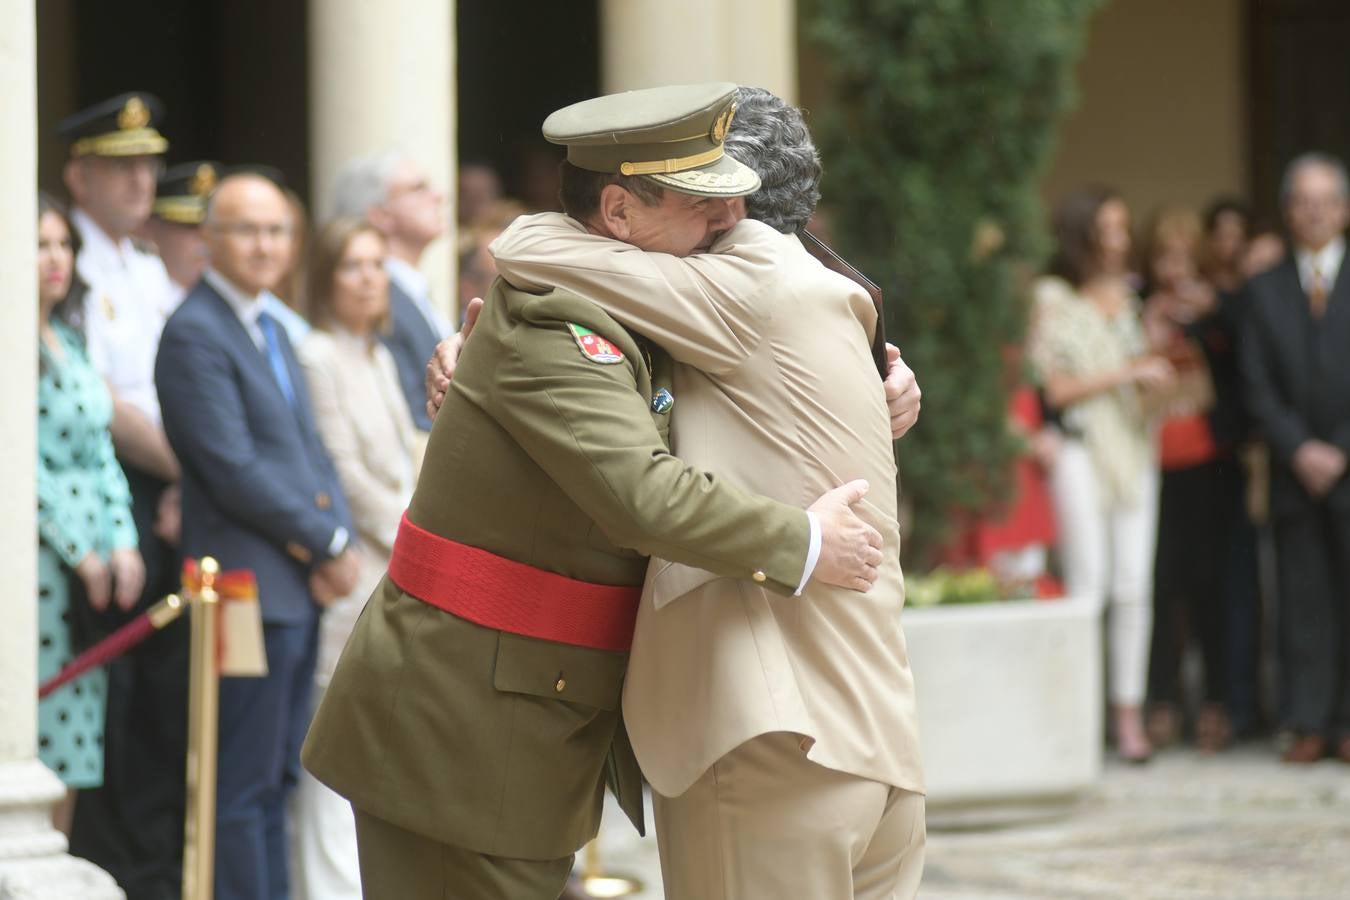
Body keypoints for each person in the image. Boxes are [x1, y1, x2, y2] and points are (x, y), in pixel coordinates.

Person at [302, 83, 886, 900]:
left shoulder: (629, 299)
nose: (727, 223)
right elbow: (638, 492)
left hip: (515, 721)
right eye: (701, 203)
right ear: (617, 212)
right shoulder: (557, 323)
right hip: (459, 729)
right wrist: (808, 542)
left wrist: (881, 380)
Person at [486, 85, 927, 899]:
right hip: (874, 750)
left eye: (709, 184)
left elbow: (526, 245)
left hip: (772, 742)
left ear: (733, 206)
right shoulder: (831, 293)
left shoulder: (742, 284)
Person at [155, 173, 360, 899]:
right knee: (238, 779)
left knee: (278, 773)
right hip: (235, 590)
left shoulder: (273, 326)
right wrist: (328, 544)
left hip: (292, 587)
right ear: (208, 239)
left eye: (276, 230)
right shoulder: (193, 332)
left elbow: (309, 450)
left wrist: (334, 528)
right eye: (245, 229)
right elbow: (233, 467)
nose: (264, 244)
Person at [57, 91, 191, 897]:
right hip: (114, 486)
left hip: (170, 486)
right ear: (80, 178)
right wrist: (182, 469)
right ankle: (108, 867)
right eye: (121, 165)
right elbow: (99, 396)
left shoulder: (145, 266)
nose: (143, 179)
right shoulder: (62, 257)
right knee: (113, 687)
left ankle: (152, 867)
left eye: (148, 163)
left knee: (163, 694)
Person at [290, 218, 422, 899]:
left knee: (383, 752)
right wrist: (415, 539)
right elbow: (341, 470)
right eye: (352, 266)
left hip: (401, 571)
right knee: (334, 749)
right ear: (324, 278)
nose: (370, 278)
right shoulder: (317, 354)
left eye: (377, 264)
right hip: (361, 574)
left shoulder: (378, 354)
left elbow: (411, 458)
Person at [1028, 186, 1175, 763]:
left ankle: (1128, 718)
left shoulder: (1134, 299)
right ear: (1083, 235)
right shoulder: (1054, 299)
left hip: (1136, 450)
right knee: (1090, 586)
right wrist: (1128, 372)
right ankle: (1079, 721)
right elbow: (1056, 387)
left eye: (1122, 227)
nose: (1120, 239)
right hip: (1081, 452)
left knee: (1135, 588)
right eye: (1109, 229)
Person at [36, 192, 145, 835]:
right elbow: (19, 462)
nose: (54, 258)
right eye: (38, 244)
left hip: (96, 559)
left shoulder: (72, 338)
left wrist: (123, 541)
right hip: (42, 564)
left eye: (62, 244)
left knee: (77, 737)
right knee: (38, 729)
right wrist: (78, 550)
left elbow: (103, 451)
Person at [1240, 153, 1350, 764]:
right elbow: (1255, 383)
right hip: (1293, 468)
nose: (1315, 210)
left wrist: (1340, 448)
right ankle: (1307, 720)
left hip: (1348, 463)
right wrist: (1299, 448)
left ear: (1344, 210)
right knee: (1301, 596)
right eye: (1303, 200)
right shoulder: (1264, 288)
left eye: (1326, 199)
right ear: (1289, 212)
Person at [1139, 207, 1242, 752]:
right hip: (1152, 466)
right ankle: (1162, 700)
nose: (1174, 266)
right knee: (1160, 586)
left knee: (1209, 585)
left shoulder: (1219, 312)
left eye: (1183, 253)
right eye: (1164, 254)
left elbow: (1241, 371)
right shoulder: (1138, 311)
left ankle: (1219, 702)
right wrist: (1148, 330)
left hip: (1208, 465)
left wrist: (1209, 320)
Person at [331, 151, 450, 430]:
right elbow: (413, 417)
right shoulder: (371, 298)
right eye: (418, 188)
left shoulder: (412, 292)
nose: (439, 195)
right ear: (381, 215)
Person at [142, 160, 220, 306]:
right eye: (189, 226)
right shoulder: (138, 296)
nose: (204, 237)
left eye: (212, 229)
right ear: (149, 228)